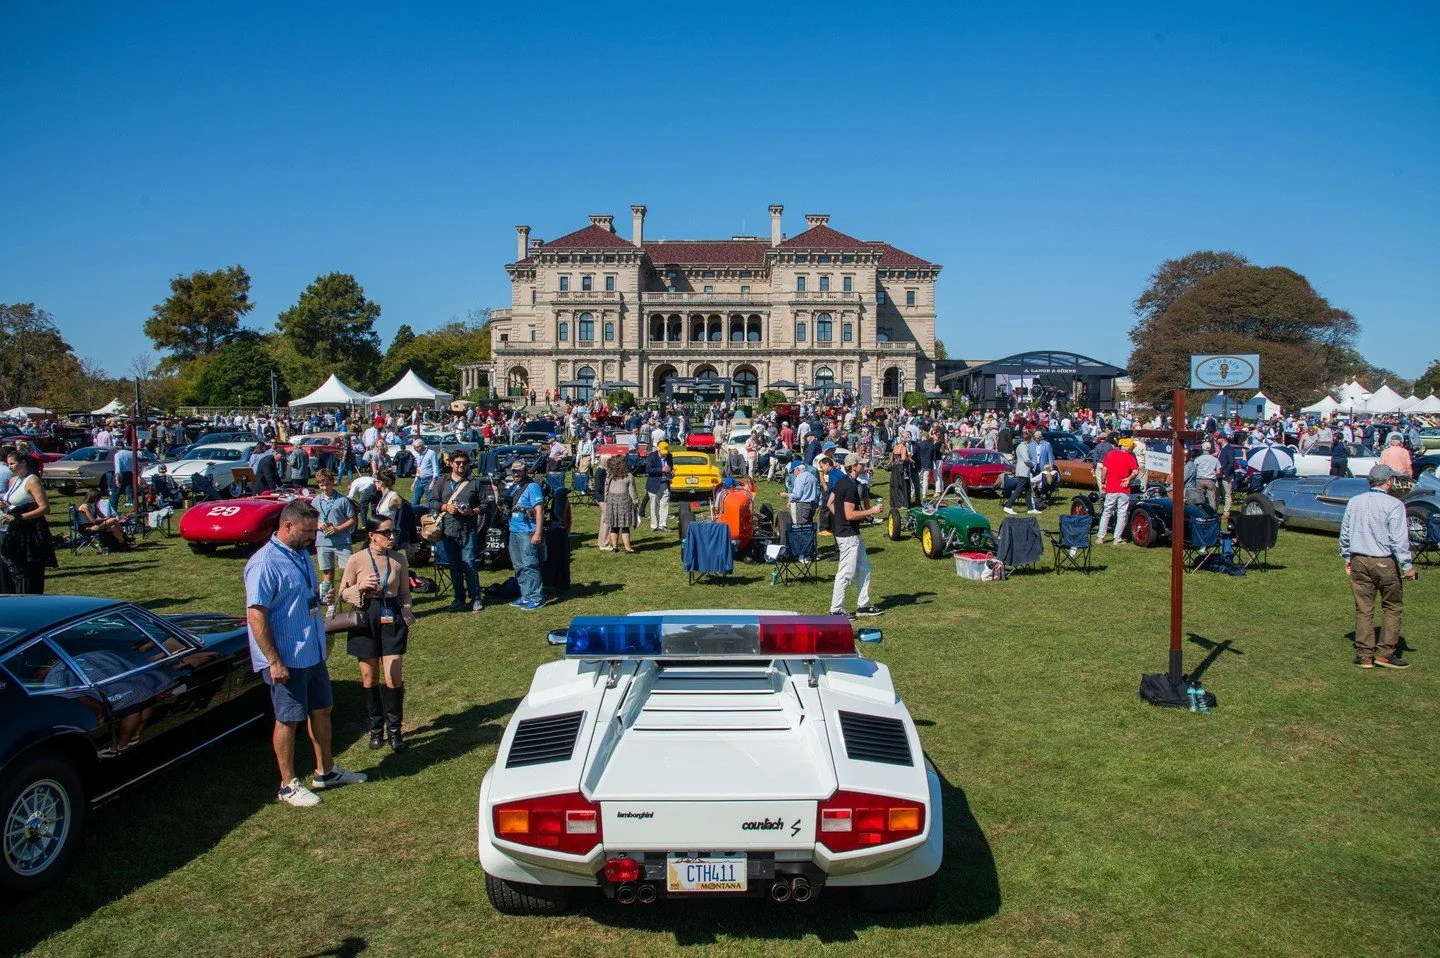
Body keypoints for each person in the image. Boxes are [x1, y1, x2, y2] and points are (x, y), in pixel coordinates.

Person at [244, 500, 366, 807]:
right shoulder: (264, 564)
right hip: (287, 657)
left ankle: (326, 770)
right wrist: (274, 660)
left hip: (312, 651)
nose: (312, 537)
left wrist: (316, 595)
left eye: (314, 531)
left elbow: (297, 598)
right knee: (288, 720)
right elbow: (256, 615)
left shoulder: (298, 555)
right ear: (287, 526)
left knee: (322, 709)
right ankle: (288, 784)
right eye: (307, 531)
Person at [338, 516, 415, 750]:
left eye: (393, 532)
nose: (392, 537)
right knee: (369, 678)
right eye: (386, 533)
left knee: (393, 676)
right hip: (365, 615)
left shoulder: (399, 559)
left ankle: (395, 731)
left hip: (391, 616)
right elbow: (342, 592)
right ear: (372, 535)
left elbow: (404, 594)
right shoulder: (356, 559)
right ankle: (375, 729)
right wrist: (359, 588)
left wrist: (407, 611)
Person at [1339, 464, 1417, 669]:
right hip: (1383, 560)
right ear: (1388, 481)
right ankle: (1385, 653)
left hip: (1359, 559)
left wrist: (1347, 558)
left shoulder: (1355, 502)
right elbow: (1399, 539)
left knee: (1364, 608)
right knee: (1392, 606)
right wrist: (1407, 566)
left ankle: (1364, 654)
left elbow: (1345, 534)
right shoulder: (1394, 505)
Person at [827, 454, 884, 620]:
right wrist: (871, 512)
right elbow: (850, 514)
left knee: (864, 568)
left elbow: (830, 503)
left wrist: (840, 518)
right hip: (848, 536)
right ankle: (836, 610)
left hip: (850, 534)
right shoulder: (850, 487)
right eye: (861, 464)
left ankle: (863, 605)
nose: (864, 467)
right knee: (846, 572)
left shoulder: (842, 481)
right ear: (853, 467)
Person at [428, 451, 484, 612]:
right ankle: (459, 598)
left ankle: (475, 598)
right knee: (454, 566)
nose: (461, 466)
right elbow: (432, 502)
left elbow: (485, 505)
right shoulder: (442, 481)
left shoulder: (474, 483)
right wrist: (445, 507)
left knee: (469, 564)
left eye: (464, 463)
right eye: (458, 462)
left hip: (468, 529)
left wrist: (471, 511)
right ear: (451, 463)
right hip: (448, 530)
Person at [0, 448, 56, 594]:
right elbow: (19, 503)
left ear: (23, 462)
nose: (10, 467)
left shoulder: (32, 480)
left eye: (12, 464)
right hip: (12, 532)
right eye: (8, 464)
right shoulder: (15, 480)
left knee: (26, 575)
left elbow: (45, 508)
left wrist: (18, 516)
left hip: (28, 535)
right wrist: (7, 506)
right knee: (7, 574)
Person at [313, 470, 357, 615]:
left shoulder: (342, 500)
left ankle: (350, 601)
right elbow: (311, 520)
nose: (325, 488)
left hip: (342, 541)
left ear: (332, 483)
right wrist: (318, 524)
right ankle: (330, 605)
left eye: (327, 484)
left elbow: (352, 519)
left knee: (349, 572)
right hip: (322, 542)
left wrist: (338, 528)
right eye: (321, 485)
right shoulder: (315, 501)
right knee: (327, 574)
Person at [506, 459, 547, 608]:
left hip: (528, 531)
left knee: (529, 564)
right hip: (514, 530)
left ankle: (536, 597)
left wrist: (538, 532)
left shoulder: (532, 487)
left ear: (525, 471)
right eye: (514, 471)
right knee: (518, 565)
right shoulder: (514, 487)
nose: (516, 473)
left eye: (519, 471)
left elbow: (539, 510)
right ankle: (525, 595)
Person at [1095, 435, 1138, 546]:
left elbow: (1104, 470)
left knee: (1107, 512)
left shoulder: (1110, 454)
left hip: (1111, 488)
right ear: (1129, 448)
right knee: (1122, 513)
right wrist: (1128, 479)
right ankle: (1117, 538)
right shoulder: (1130, 458)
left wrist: (1104, 482)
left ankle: (1101, 537)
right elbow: (1135, 471)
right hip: (1124, 489)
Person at [602, 455, 639, 555]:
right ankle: (627, 547)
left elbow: (606, 489)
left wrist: (606, 500)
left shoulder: (610, 475)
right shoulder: (628, 475)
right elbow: (632, 491)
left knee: (614, 525)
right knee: (625, 526)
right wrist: (636, 502)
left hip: (612, 501)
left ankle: (615, 547)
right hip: (625, 502)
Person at [645, 440, 672, 531]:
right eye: (662, 452)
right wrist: (662, 470)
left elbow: (670, 467)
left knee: (665, 504)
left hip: (665, 483)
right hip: (654, 484)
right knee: (654, 505)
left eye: (665, 453)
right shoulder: (652, 456)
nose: (664, 455)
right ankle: (654, 525)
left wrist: (670, 472)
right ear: (658, 449)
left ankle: (663, 524)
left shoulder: (669, 456)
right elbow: (649, 470)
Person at [411, 438, 439, 509]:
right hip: (419, 480)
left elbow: (435, 468)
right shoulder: (418, 454)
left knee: (428, 502)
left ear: (421, 446)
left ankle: (427, 516)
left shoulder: (431, 453)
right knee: (414, 502)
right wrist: (414, 482)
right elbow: (418, 468)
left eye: (416, 448)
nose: (415, 449)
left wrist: (433, 482)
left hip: (428, 481)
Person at [1193, 441, 1221, 511]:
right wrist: (1211, 473)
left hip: (1200, 479)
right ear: (1210, 448)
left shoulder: (1198, 459)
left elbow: (1194, 470)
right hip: (1210, 480)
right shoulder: (1215, 459)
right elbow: (1218, 472)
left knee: (1199, 499)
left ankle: (1199, 512)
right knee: (1212, 499)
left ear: (1202, 448)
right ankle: (1213, 513)